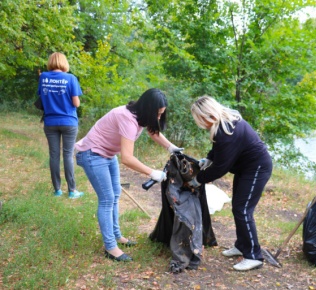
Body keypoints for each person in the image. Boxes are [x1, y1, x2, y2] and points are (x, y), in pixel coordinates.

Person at [75, 88, 182, 262]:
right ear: (148, 108)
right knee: (107, 199)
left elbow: (153, 131)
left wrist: (171, 147)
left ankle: (117, 236)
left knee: (115, 194)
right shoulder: (127, 119)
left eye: (161, 114)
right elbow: (127, 158)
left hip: (107, 154)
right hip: (92, 154)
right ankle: (110, 247)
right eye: (157, 113)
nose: (159, 118)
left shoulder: (141, 115)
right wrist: (152, 172)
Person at [188, 96, 273, 271]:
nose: (200, 124)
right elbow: (218, 150)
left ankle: (253, 256)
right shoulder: (223, 124)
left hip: (256, 168)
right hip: (245, 168)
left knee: (243, 210)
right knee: (238, 207)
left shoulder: (228, 131)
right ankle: (242, 245)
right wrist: (208, 159)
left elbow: (220, 168)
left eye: (200, 119)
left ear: (208, 116)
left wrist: (198, 179)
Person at [37, 52, 84, 199]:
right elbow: (76, 103)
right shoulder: (70, 78)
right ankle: (72, 191)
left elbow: (42, 97)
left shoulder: (43, 77)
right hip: (69, 121)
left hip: (50, 122)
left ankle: (57, 190)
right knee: (68, 155)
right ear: (64, 63)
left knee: (54, 155)